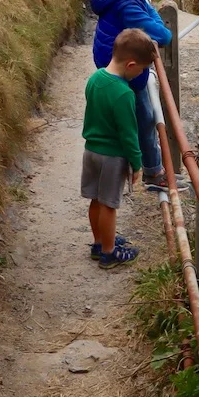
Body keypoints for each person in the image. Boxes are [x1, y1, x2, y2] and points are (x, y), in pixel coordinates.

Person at [90, 0, 173, 189]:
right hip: (126, 69)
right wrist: (153, 13)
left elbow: (146, 12)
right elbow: (164, 34)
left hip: (112, 61)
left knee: (140, 117)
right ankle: (152, 172)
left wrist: (146, 7)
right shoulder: (128, 6)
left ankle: (148, 167)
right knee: (144, 119)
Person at [81, 26, 155, 268]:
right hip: (112, 157)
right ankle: (109, 253)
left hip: (91, 151)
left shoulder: (94, 79)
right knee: (109, 204)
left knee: (95, 199)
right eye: (142, 70)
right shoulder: (124, 94)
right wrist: (137, 164)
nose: (140, 74)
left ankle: (99, 242)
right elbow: (129, 134)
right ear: (131, 66)